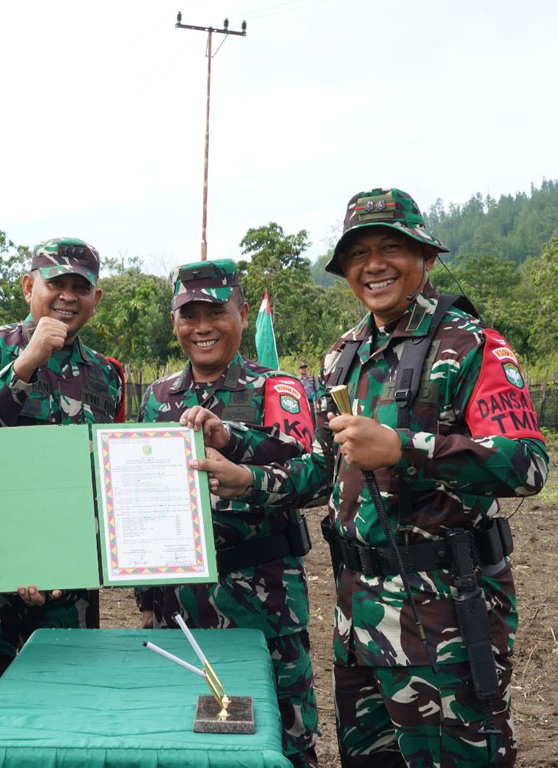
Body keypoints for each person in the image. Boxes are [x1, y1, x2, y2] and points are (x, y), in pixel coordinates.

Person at [201, 188, 549, 767]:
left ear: (425, 258)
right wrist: (244, 470)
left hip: (444, 618)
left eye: (391, 247)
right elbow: (320, 468)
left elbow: (529, 463)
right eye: (359, 254)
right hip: (357, 617)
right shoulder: (345, 355)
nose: (374, 265)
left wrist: (404, 448)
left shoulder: (470, 346)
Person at [137, 259, 320, 768]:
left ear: (241, 312)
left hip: (262, 595)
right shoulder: (158, 399)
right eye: (188, 315)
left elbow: (310, 475)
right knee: (187, 736)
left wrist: (243, 463)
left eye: (215, 312)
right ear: (174, 321)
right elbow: (144, 499)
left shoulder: (275, 389)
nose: (202, 328)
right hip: (181, 602)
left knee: (284, 734)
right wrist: (147, 596)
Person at [0, 236, 124, 704]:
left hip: (69, 579)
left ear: (96, 298)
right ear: (29, 286)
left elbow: (101, 473)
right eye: (57, 283)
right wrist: (28, 360)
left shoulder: (105, 374)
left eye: (80, 286)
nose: (68, 296)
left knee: (66, 702)